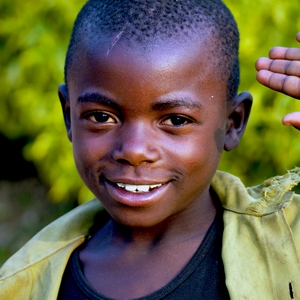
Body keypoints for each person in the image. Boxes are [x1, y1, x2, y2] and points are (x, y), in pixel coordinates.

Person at [1, 0, 300, 299]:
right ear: (69, 116)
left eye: (175, 120)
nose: (134, 150)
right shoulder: (23, 285)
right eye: (102, 117)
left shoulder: (289, 248)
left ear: (232, 123)